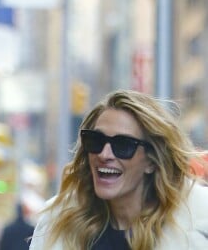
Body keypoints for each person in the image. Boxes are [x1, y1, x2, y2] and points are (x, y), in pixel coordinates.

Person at [29, 90, 208, 250]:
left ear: (151, 162)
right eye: (96, 141)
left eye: (123, 145)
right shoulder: (55, 225)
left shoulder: (198, 227)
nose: (105, 154)